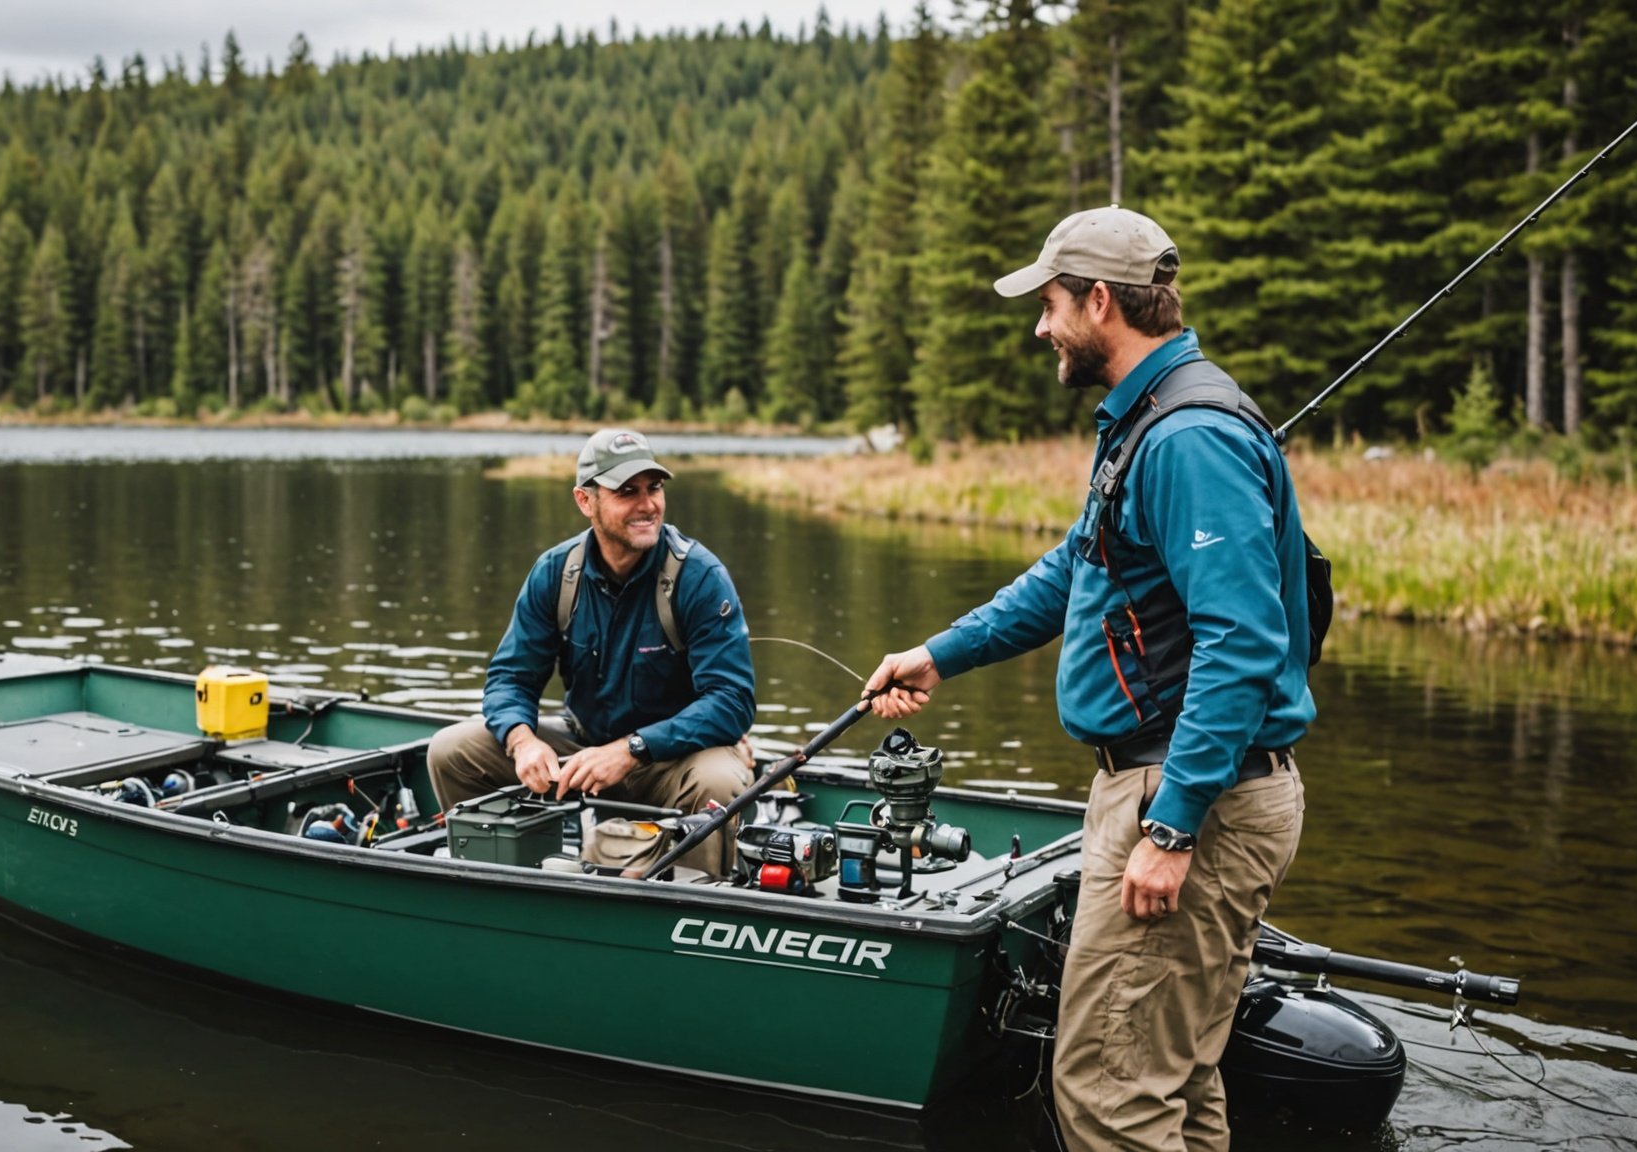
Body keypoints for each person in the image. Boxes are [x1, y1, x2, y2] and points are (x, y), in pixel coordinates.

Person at [863, 206, 1313, 1151]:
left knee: (1109, 1092)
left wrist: (1171, 826)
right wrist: (941, 654)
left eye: (1051, 305)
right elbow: (1074, 571)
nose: (1042, 329)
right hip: (1184, 788)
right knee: (1176, 1081)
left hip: (1189, 797)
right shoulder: (1148, 421)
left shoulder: (1188, 437)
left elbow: (1240, 643)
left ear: (1101, 301)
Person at [428, 428, 756, 877]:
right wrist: (523, 742)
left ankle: (685, 901)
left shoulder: (699, 576)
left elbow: (732, 701)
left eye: (654, 488)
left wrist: (633, 749)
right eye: (627, 492)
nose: (648, 505)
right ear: (585, 501)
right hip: (581, 750)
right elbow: (510, 677)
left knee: (719, 780)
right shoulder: (555, 572)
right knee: (451, 750)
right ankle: (497, 883)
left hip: (674, 761)